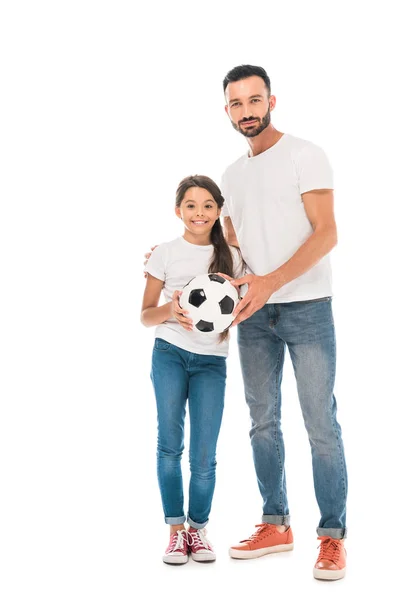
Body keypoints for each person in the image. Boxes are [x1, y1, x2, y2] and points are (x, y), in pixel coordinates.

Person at [146, 65, 348, 580]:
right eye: (237, 104)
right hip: (251, 314)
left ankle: (331, 536)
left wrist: (271, 281)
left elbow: (326, 235)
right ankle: (276, 522)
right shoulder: (232, 175)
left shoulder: (307, 155)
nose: (247, 111)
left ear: (272, 101)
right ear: (227, 111)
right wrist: (176, 264)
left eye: (254, 100)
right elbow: (231, 244)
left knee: (320, 424)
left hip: (307, 307)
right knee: (263, 423)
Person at [141, 174, 244, 565]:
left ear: (218, 211)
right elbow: (145, 316)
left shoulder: (233, 257)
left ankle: (198, 531)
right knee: (170, 445)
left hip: (211, 362)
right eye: (190, 206)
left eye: (207, 206)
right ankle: (174, 532)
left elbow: (245, 302)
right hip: (169, 352)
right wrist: (173, 310)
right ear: (177, 210)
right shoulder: (165, 253)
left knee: (204, 454)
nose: (198, 213)